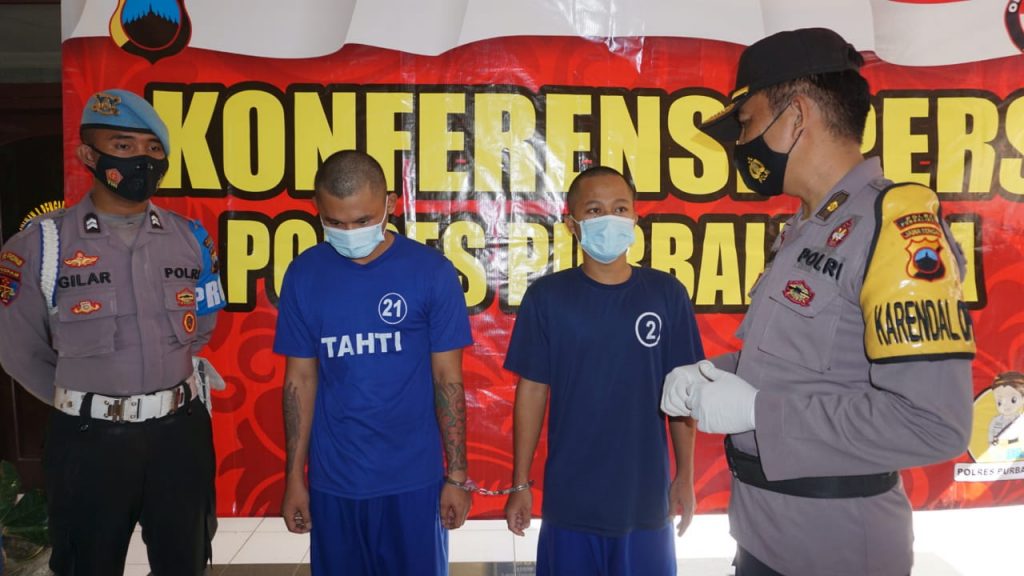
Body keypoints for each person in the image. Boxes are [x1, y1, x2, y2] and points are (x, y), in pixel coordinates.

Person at [659, 28, 975, 575]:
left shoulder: (892, 229)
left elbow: (931, 424)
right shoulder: (809, 227)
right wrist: (714, 372)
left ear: (796, 116)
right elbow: (804, 363)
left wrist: (757, 411)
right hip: (761, 536)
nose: (741, 144)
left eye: (746, 123)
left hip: (835, 550)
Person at [0, 89, 225, 575]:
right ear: (89, 155)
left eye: (153, 148)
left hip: (180, 435)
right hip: (88, 441)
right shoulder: (41, 244)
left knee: (185, 562)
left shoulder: (191, 238)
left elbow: (202, 326)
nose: (141, 158)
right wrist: (89, 400)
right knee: (88, 564)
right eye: (123, 145)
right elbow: (18, 350)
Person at [273, 150, 473, 575]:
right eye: (336, 223)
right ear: (317, 209)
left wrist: (456, 476)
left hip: (413, 482)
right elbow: (300, 381)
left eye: (362, 220)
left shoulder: (431, 272)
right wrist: (294, 478)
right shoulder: (304, 275)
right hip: (334, 482)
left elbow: (447, 378)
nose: (350, 233)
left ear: (390, 204)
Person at [503, 166, 703, 575]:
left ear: (635, 218)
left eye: (620, 208)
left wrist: (685, 476)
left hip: (645, 503)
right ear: (572, 223)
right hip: (570, 504)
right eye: (594, 210)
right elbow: (532, 391)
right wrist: (520, 483)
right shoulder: (547, 297)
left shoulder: (667, 294)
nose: (609, 219)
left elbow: (684, 394)